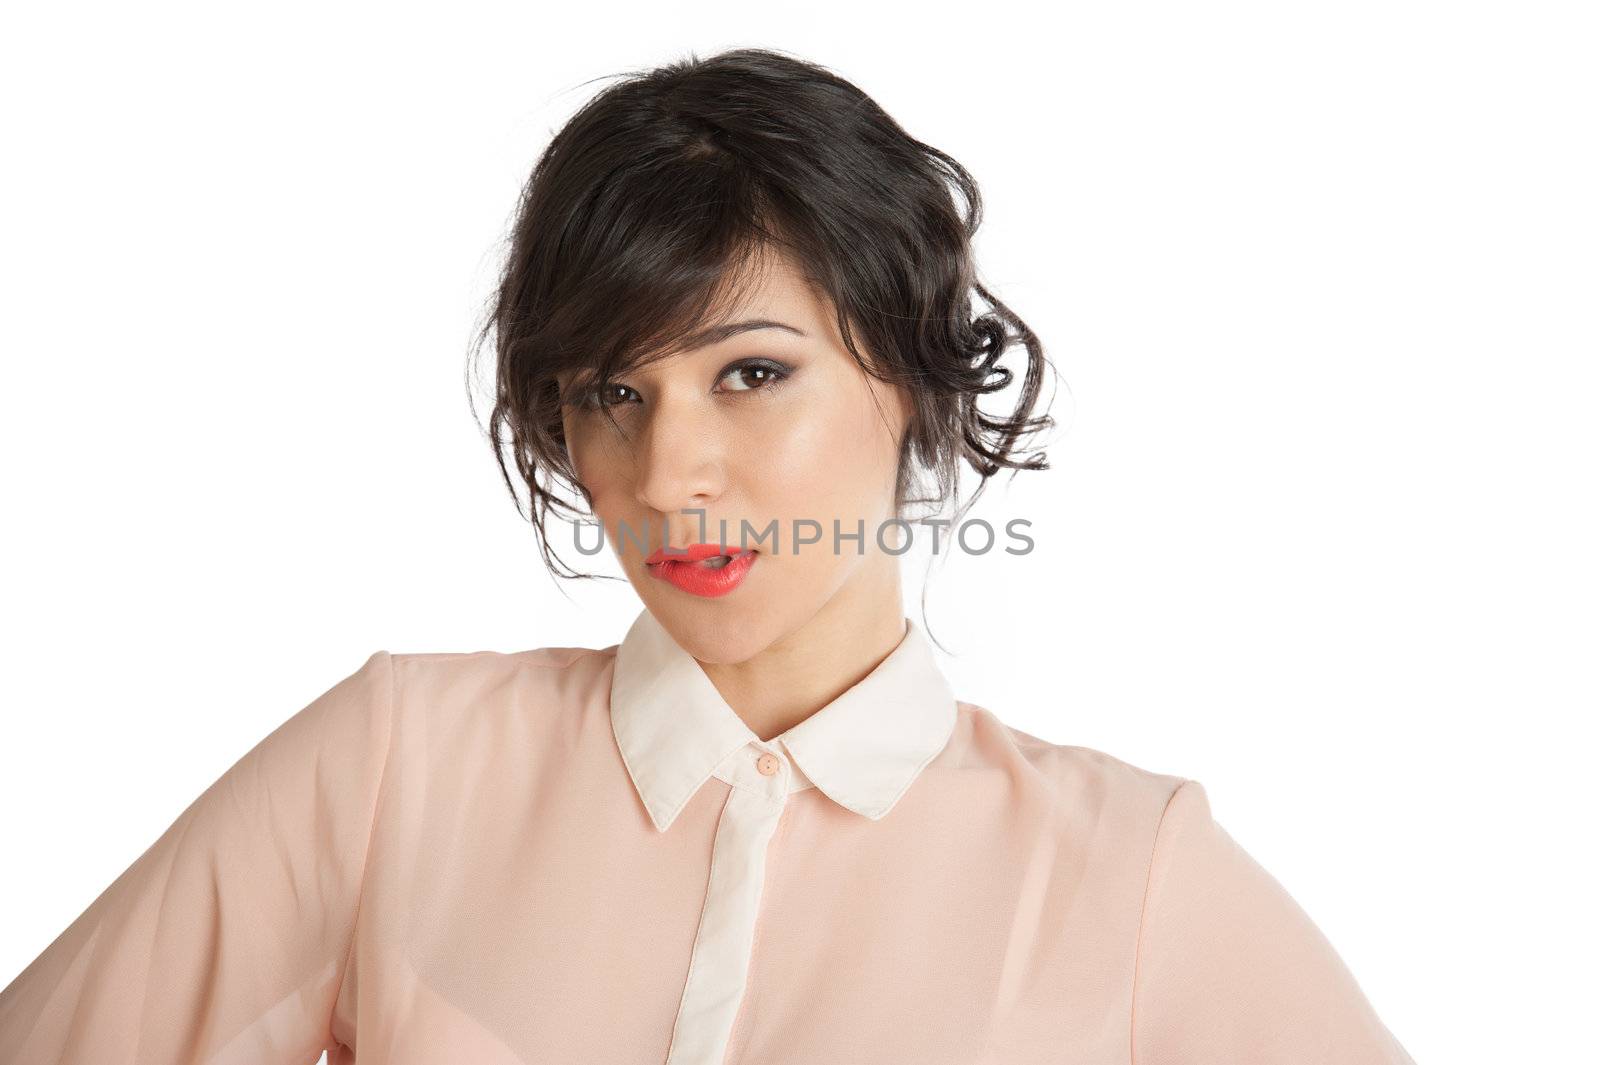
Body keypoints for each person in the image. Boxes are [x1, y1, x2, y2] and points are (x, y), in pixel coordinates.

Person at [0, 47, 1415, 1064]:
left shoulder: (1129, 876)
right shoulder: (398, 764)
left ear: (910, 379)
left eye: (750, 374)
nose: (667, 472)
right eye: (615, 393)